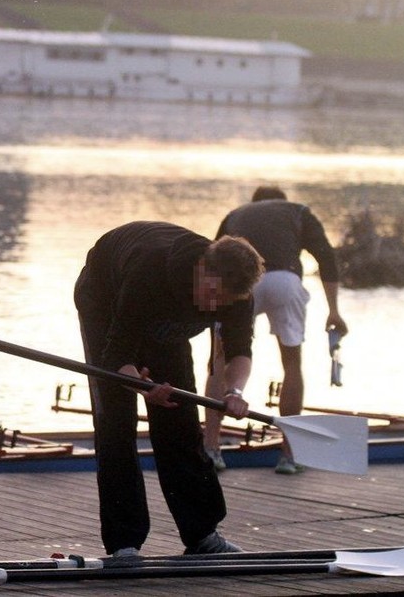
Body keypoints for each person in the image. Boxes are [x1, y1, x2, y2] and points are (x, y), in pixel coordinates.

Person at [74, 221, 264, 557]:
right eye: (211, 294)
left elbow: (240, 352)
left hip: (164, 326)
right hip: (105, 299)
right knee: (116, 421)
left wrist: (234, 392)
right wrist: (142, 386)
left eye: (222, 302)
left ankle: (202, 534)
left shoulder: (237, 296)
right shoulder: (150, 269)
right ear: (203, 267)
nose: (211, 307)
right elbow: (117, 353)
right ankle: (124, 543)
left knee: (181, 421)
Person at [203, 186, 348, 475]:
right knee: (291, 363)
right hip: (285, 281)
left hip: (241, 283)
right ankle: (289, 455)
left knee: (218, 362)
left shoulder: (236, 215)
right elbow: (326, 258)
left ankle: (211, 448)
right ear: (282, 200)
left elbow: (213, 258)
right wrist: (333, 310)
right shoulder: (299, 211)